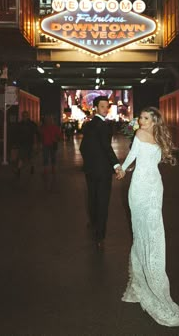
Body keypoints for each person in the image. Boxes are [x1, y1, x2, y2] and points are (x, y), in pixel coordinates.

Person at [117, 107, 179, 327]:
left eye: (145, 118)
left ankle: (149, 282)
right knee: (151, 230)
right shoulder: (158, 135)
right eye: (140, 118)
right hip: (155, 185)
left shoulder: (140, 133)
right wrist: (134, 124)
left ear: (154, 120)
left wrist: (122, 169)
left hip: (141, 186)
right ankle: (143, 279)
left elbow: (132, 155)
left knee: (143, 232)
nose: (140, 120)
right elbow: (144, 157)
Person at [80, 95, 122, 250]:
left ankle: (94, 224)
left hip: (90, 170)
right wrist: (116, 164)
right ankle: (100, 235)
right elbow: (107, 147)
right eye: (102, 106)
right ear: (96, 107)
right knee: (103, 201)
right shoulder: (104, 126)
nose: (105, 109)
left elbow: (83, 148)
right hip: (103, 170)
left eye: (107, 106)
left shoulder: (89, 125)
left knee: (93, 197)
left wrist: (90, 162)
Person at [14, 110, 39, 177]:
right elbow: (17, 134)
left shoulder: (31, 124)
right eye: (24, 115)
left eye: (26, 115)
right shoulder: (20, 124)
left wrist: (35, 143)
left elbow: (35, 134)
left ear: (28, 116)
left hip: (30, 143)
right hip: (23, 144)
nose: (24, 117)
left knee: (30, 157)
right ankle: (19, 170)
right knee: (21, 157)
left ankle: (32, 167)